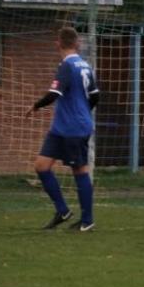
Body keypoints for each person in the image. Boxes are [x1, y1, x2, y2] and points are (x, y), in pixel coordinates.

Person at [25, 27, 99, 232]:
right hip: (61, 128)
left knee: (79, 169)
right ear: (77, 44)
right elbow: (95, 96)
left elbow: (54, 94)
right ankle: (63, 211)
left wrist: (35, 106)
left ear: (57, 44)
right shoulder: (85, 65)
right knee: (41, 166)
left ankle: (87, 220)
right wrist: (83, 111)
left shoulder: (67, 66)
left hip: (74, 128)